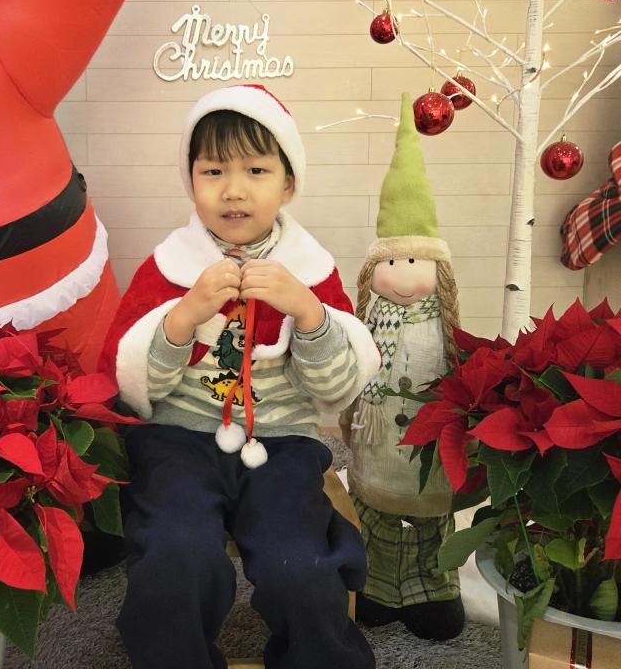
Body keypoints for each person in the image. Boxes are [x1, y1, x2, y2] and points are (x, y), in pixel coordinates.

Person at [99, 84, 381, 669]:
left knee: (298, 561)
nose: (233, 190)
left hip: (282, 445)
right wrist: (183, 317)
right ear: (191, 182)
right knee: (174, 552)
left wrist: (309, 314)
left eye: (256, 170)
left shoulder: (310, 271)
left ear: (288, 183)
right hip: (177, 440)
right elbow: (131, 384)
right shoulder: (168, 266)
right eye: (213, 171)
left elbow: (336, 391)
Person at [339, 94, 465, 641]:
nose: (402, 274)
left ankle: (434, 590)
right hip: (378, 454)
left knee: (432, 525)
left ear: (437, 268)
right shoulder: (367, 321)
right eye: (391, 261)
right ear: (374, 267)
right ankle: (377, 588)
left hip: (431, 455)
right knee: (377, 520)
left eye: (414, 261)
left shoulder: (446, 327)